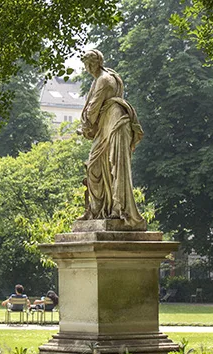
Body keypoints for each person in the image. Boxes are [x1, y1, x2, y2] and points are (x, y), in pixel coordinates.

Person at [78, 49, 145, 228]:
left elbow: (93, 108)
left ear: (94, 63)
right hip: (108, 125)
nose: (87, 68)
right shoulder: (107, 76)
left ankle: (116, 208)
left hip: (115, 125)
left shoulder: (104, 80)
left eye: (88, 65)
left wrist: (85, 127)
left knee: (114, 165)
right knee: (98, 165)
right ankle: (98, 209)